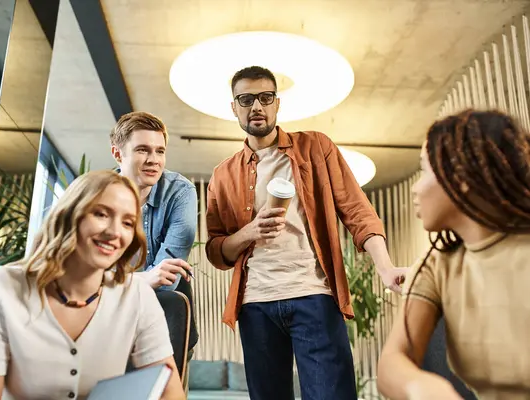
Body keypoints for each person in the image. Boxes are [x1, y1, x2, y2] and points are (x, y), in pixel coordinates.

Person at [205, 65, 407, 400]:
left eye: (265, 97)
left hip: (314, 295)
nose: (256, 106)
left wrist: (385, 268)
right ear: (234, 107)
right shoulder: (222, 175)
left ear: (276, 104)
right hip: (256, 304)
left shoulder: (316, 148)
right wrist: (249, 232)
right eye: (245, 99)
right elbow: (217, 251)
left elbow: (357, 211)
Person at [0, 170, 185, 400]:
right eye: (101, 214)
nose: (115, 232)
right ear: (69, 215)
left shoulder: (137, 296)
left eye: (127, 223)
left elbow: (170, 393)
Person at [377, 109, 530, 399]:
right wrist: (421, 387)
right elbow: (392, 364)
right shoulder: (436, 265)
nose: (415, 188)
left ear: (460, 177)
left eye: (424, 171)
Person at [110, 111, 199, 356]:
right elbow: (84, 278)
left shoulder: (180, 192)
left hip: (164, 313)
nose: (154, 160)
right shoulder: (96, 194)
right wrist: (142, 280)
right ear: (118, 154)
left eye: (160, 151)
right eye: (142, 150)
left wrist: (115, 284)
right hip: (109, 312)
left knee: (171, 301)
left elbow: (167, 280)